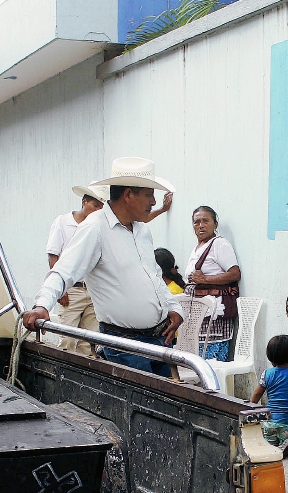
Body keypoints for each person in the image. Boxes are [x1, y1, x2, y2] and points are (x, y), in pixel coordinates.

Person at [22, 157, 183, 378]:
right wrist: (42, 305)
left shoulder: (142, 231)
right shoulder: (95, 228)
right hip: (125, 345)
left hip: (159, 339)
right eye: (149, 194)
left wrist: (174, 308)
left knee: (164, 403)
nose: (154, 202)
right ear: (128, 195)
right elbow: (63, 271)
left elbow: (154, 276)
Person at [44, 183, 109, 356]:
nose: (97, 211)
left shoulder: (98, 226)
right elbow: (53, 256)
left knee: (90, 341)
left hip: (93, 290)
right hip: (72, 290)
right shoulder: (63, 222)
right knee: (67, 338)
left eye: (101, 208)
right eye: (95, 206)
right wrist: (61, 290)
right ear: (84, 201)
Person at [184, 206, 241, 361]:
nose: (201, 225)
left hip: (214, 317)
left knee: (212, 362)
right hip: (198, 317)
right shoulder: (197, 248)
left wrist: (205, 280)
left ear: (215, 224)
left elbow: (235, 273)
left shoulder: (219, 244)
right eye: (196, 222)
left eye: (205, 221)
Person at [251, 335, 288, 454]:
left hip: (269, 422)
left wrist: (251, 408)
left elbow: (257, 394)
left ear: (270, 357)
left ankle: (271, 447)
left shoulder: (267, 374)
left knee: (269, 442)